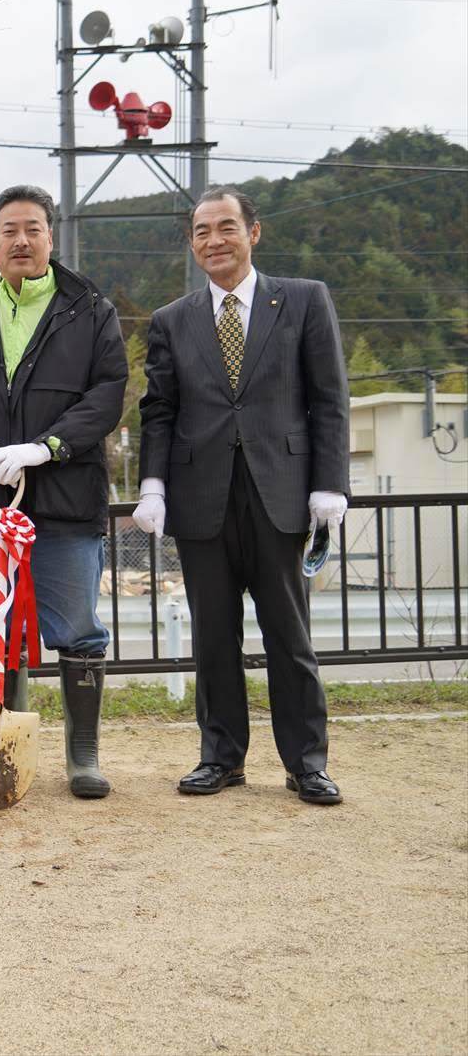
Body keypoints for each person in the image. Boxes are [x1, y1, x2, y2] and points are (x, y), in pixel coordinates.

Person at [135, 186, 349, 805]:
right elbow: (160, 411)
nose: (213, 240)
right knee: (213, 636)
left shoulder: (304, 300)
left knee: (290, 635)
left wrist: (329, 483)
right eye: (201, 231)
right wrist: (152, 484)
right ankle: (222, 757)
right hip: (201, 498)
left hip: (280, 492)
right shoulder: (173, 319)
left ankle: (307, 763)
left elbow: (329, 400)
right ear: (192, 243)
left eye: (226, 227)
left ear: (254, 233)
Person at [0, 185, 128, 799]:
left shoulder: (90, 310)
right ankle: (3, 742)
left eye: (33, 229)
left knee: (77, 627)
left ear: (50, 238)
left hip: (65, 500)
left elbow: (108, 393)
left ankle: (83, 754)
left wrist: (47, 447)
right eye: (9, 230)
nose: (21, 240)